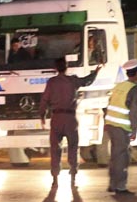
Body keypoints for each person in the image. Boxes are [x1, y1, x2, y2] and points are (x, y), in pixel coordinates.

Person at [39, 58, 102, 188]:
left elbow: (44, 100)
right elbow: (87, 81)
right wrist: (96, 72)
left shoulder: (52, 82)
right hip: (70, 118)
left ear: (55, 68)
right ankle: (73, 177)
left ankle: (55, 179)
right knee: (73, 147)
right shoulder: (72, 80)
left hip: (56, 118)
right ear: (66, 67)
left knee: (55, 149)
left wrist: (42, 116)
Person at [104, 59, 137, 195]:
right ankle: (120, 186)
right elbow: (133, 112)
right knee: (122, 157)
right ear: (136, 74)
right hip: (121, 126)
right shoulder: (134, 90)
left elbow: (109, 104)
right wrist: (134, 130)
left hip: (111, 124)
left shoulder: (119, 86)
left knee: (115, 155)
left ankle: (112, 184)